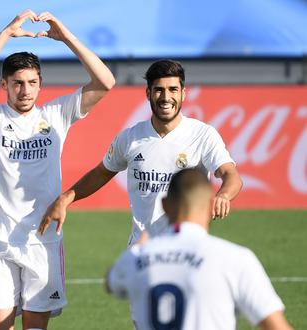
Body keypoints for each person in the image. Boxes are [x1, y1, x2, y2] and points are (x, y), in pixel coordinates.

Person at [0, 10, 115, 330]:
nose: (25, 90)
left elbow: (105, 82)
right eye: (17, 83)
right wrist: (6, 32)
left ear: (41, 84)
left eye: (32, 82)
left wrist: (67, 37)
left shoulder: (57, 114)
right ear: (4, 83)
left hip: (43, 242)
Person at [39, 59, 243, 245]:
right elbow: (101, 172)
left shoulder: (203, 134)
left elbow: (230, 175)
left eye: (173, 89)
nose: (166, 97)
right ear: (148, 93)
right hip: (142, 250)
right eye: (159, 90)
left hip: (187, 249)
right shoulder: (130, 137)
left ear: (183, 93)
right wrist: (66, 197)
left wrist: (224, 195)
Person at [106, 168, 292, 329]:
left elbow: (110, 281)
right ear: (211, 204)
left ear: (165, 205)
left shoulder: (137, 257)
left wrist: (135, 251)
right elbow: (276, 326)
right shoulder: (235, 258)